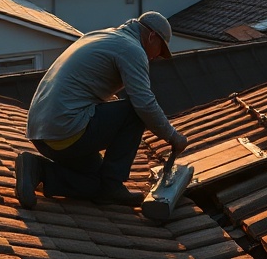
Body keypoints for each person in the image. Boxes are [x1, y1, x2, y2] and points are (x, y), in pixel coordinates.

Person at [15, 11, 188, 208]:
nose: (155, 57)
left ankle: (37, 169)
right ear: (152, 36)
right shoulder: (132, 49)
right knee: (134, 112)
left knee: (95, 183)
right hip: (65, 131)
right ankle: (113, 185)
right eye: (159, 50)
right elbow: (144, 103)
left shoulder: (101, 36)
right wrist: (173, 137)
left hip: (42, 134)